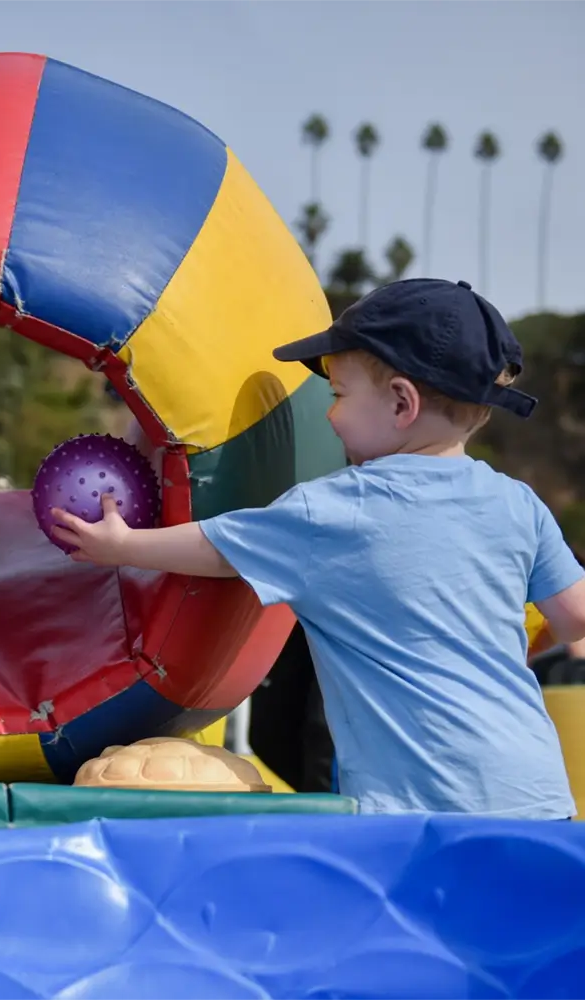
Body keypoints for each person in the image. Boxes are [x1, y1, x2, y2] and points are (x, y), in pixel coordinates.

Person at [50, 278, 585, 819]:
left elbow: (218, 548)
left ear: (402, 402)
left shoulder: (337, 508)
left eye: (339, 395)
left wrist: (121, 544)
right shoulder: (518, 503)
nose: (330, 416)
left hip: (418, 815)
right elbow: (575, 617)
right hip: (538, 799)